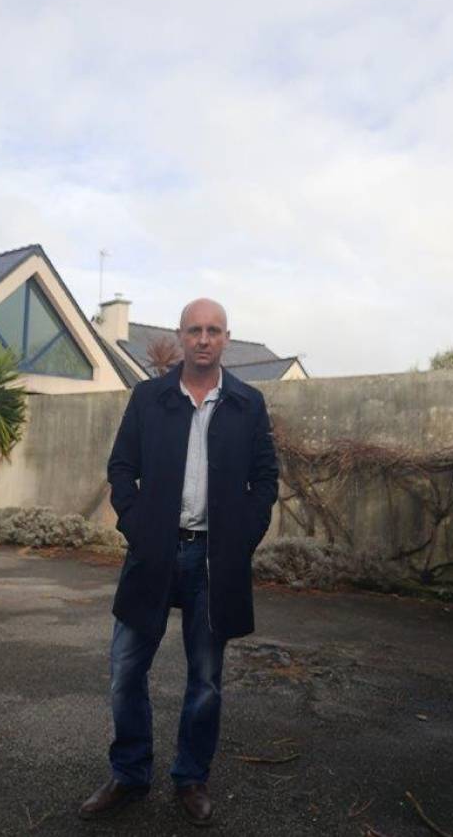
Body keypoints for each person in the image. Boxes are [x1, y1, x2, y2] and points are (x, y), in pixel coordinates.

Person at [79, 297, 279, 827]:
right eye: (194, 330)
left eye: (213, 330)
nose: (203, 339)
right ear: (181, 336)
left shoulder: (247, 403)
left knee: (206, 680)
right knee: (125, 669)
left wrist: (242, 538)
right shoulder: (149, 398)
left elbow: (265, 480)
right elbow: (122, 467)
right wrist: (139, 528)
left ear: (226, 337)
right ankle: (129, 773)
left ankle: (191, 778)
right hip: (155, 555)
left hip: (215, 560)